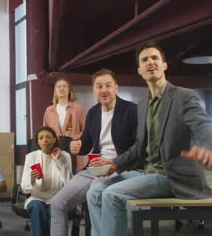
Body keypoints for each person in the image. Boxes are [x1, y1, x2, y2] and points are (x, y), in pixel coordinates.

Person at [86, 43, 212, 236]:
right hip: (145, 173)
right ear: (140, 70)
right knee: (94, 192)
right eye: (145, 60)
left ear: (164, 65)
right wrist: (114, 164)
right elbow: (139, 145)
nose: (150, 62)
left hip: (172, 176)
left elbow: (205, 126)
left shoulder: (183, 96)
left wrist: (207, 146)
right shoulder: (143, 106)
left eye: (155, 58)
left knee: (112, 194)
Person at [50, 69, 138, 236]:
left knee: (94, 193)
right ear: (94, 90)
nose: (103, 90)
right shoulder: (93, 113)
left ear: (116, 88)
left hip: (119, 167)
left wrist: (116, 163)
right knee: (57, 203)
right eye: (99, 86)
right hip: (95, 167)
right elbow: (86, 145)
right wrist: (77, 146)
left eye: (108, 85)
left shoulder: (131, 110)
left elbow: (138, 147)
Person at [21, 126, 72, 236]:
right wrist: (31, 179)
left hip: (57, 198)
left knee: (54, 210)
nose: (45, 140)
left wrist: (58, 161)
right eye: (41, 138)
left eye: (48, 137)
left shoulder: (65, 156)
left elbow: (69, 185)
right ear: (38, 142)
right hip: (37, 197)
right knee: (37, 207)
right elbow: (24, 188)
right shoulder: (31, 157)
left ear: (54, 140)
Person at [43, 78, 86, 173]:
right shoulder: (49, 110)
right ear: (55, 90)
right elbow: (44, 132)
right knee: (56, 176)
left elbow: (86, 131)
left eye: (64, 86)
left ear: (69, 90)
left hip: (73, 147)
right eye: (59, 86)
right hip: (55, 147)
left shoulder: (79, 109)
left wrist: (74, 137)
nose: (61, 88)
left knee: (74, 175)